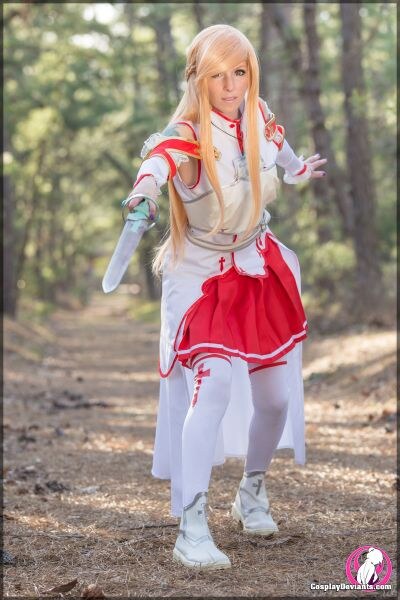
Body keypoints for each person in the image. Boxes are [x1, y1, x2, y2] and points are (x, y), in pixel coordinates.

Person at [125, 24, 326, 569]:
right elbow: (157, 163)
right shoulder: (187, 134)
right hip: (202, 275)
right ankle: (192, 524)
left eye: (240, 72)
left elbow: (276, 146)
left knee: (276, 398)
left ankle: (251, 490)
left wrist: (297, 170)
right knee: (211, 387)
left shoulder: (256, 112)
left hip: (255, 264)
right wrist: (143, 195)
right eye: (218, 75)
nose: (231, 85)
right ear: (198, 78)